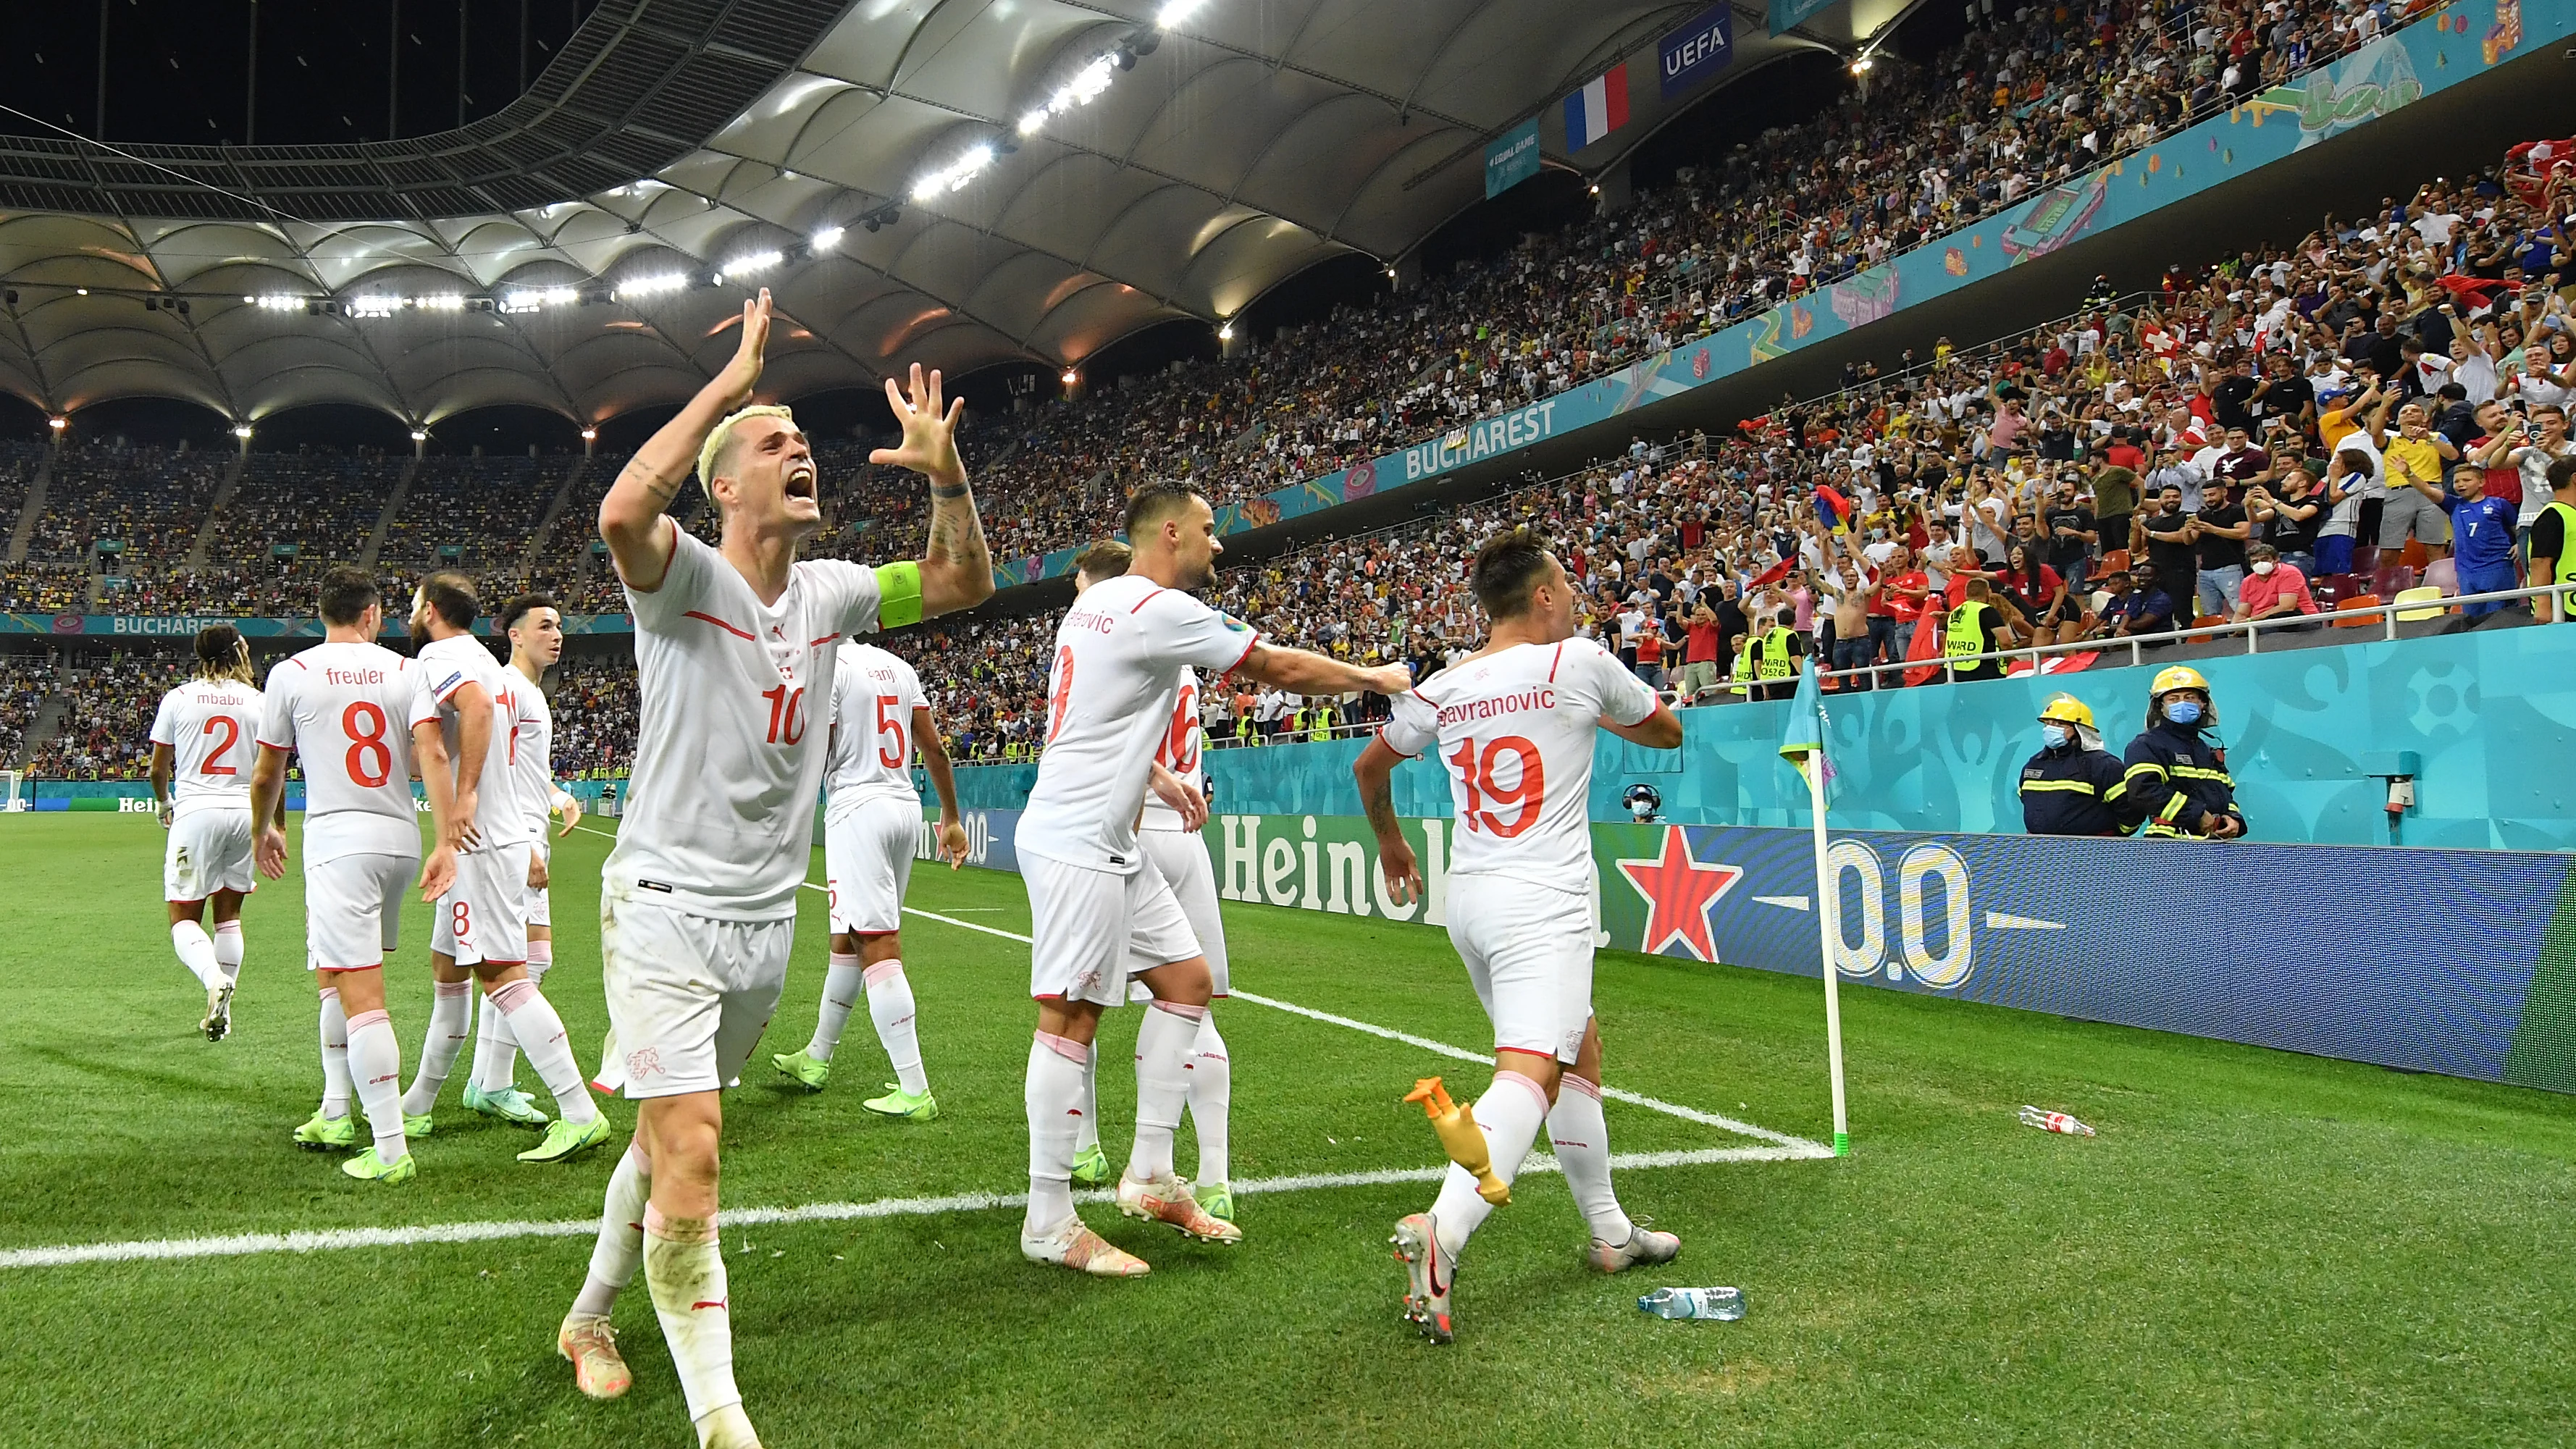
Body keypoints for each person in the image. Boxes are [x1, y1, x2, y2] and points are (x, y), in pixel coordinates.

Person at [553, 290, 992, 1448]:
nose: (798, 446)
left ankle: (587, 1317)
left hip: (762, 924)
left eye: (799, 436)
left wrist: (948, 480)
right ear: (726, 487)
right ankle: (722, 1418)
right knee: (692, 1147)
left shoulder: (835, 592)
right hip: (658, 902)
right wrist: (726, 390)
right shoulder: (681, 577)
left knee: (664, 1145)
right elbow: (619, 509)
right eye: (771, 440)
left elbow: (960, 586)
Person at [1015, 482, 1407, 1278]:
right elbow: (1274, 667)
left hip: (1108, 837)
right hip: (1077, 840)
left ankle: (1151, 1173)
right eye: (1205, 530)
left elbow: (1099, 715)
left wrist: (1156, 777)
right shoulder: (1158, 607)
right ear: (1168, 534)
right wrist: (1374, 679)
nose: (1216, 544)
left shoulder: (1096, 606)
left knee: (1187, 983)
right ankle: (1047, 1219)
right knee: (1070, 1019)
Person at [1353, 525, 1685, 1345]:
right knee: (1529, 1075)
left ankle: (1609, 1232)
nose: (1574, 596)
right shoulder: (1576, 663)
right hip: (1543, 901)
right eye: (1565, 584)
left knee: (1579, 1050)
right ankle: (1445, 1230)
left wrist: (1391, 843)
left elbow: (1367, 767)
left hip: (1470, 901)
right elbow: (1666, 732)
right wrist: (1595, 720)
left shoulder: (1445, 685)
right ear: (1540, 597)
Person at [247, 566, 463, 1178]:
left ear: (323, 613)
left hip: (339, 843)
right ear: (372, 615)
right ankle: (336, 1107)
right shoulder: (407, 669)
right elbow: (433, 752)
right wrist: (446, 839)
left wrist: (266, 827)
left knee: (363, 994)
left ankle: (391, 1148)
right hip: (397, 838)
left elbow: (267, 772)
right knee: (334, 971)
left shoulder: (291, 672)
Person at [1046, 539, 1241, 1219]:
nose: (1076, 599)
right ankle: (1213, 1172)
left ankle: (1088, 1147)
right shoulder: (1182, 649)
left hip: (1129, 832)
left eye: (1078, 585)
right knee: (1195, 1003)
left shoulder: (1109, 631)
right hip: (1186, 833)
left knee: (1082, 1003)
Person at [395, 572, 611, 1164]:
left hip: (483, 842)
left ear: (431, 611)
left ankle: (579, 1111)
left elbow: (470, 719)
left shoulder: (446, 657)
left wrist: (463, 804)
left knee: (505, 974)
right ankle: (416, 1103)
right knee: (449, 970)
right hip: (496, 837)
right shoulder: (496, 671)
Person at [770, 637, 970, 1114]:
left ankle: (915, 1089)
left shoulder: (829, 667)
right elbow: (935, 749)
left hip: (857, 808)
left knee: (877, 944)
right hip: (903, 807)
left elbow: (818, 749)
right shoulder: (898, 666)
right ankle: (816, 1056)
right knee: (849, 936)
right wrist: (951, 817)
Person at [456, 592, 585, 1124]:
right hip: (513, 834)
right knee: (521, 964)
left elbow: (526, 770)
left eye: (559, 626)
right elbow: (497, 773)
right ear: (514, 634)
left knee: (519, 962)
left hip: (526, 826)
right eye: (544, 626)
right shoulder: (508, 690)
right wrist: (527, 839)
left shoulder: (528, 692)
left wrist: (557, 797)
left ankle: (490, 1082)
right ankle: (493, 1082)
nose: (556, 635)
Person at [146, 625, 266, 1041]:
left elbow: (159, 770)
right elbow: (272, 772)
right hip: (245, 814)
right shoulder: (258, 701)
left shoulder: (178, 698)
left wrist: (164, 802)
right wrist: (275, 825)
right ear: (239, 652)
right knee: (229, 916)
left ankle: (214, 980)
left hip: (196, 811)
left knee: (183, 918)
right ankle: (223, 1014)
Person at [2390, 443, 2520, 618]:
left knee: (2501, 617)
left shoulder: (2499, 504)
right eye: (2457, 481)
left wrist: (2519, 544)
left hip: (2497, 566)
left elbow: (2517, 529)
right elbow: (2428, 490)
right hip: (2467, 571)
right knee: (2473, 619)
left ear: (2482, 482)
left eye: (2467, 480)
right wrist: (2408, 474)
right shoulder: (2454, 505)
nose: (2460, 485)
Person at [2118, 665, 2245, 840]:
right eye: (2173, 699)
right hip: (2169, 845)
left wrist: (2234, 819)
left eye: (2189, 697)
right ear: (2161, 707)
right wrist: (2196, 813)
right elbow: (2143, 791)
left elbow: (2225, 793)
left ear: (2203, 704)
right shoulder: (2146, 744)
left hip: (2215, 844)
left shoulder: (2207, 750)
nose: (2182, 703)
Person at [2018, 694, 2128, 836]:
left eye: (2059, 724)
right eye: (2048, 723)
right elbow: (2025, 799)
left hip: (2091, 853)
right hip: (2041, 852)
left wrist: (2112, 838)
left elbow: (2128, 811)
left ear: (2079, 729)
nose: (2050, 728)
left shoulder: (2104, 765)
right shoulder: (2034, 764)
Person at [2233, 543, 2320, 631]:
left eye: (2264, 560)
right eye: (2255, 561)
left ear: (2276, 559)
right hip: (2259, 624)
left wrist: (2251, 620)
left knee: (2268, 628)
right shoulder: (2247, 581)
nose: (2260, 564)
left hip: (2299, 621)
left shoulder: (2289, 573)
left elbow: (2287, 607)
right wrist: (2234, 629)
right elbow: (2242, 613)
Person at [2533, 455, 2576, 623]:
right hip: (2564, 609)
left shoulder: (2570, 514)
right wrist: (2543, 605)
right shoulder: (2553, 516)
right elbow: (2540, 562)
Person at [1943, 578, 2009, 681]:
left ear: (1966, 594)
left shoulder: (1955, 612)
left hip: (1955, 670)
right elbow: (2005, 642)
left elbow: (1946, 639)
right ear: (1988, 592)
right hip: (1984, 670)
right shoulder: (1987, 611)